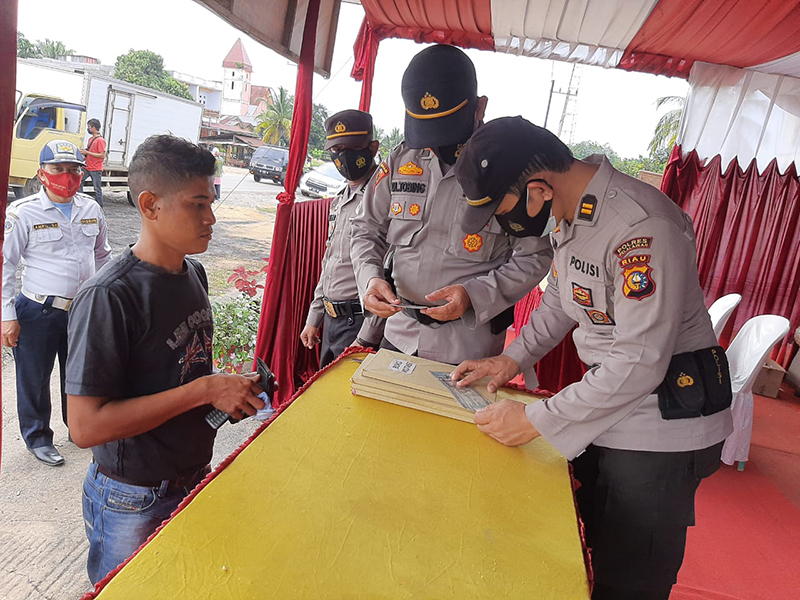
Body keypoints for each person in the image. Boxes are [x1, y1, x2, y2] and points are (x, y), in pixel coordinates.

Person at [451, 117, 734, 600]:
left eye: (502, 211)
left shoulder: (641, 228)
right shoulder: (572, 212)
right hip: (611, 403)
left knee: (627, 577)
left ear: (538, 189)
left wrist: (536, 419)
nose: (501, 224)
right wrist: (511, 360)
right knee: (585, 555)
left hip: (661, 427)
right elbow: (562, 301)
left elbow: (640, 360)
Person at [65, 135, 267, 584]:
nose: (211, 218)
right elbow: (85, 427)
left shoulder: (193, 273)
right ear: (150, 205)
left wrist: (221, 392)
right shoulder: (110, 296)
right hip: (134, 497)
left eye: (211, 202)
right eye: (197, 204)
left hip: (191, 475)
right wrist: (205, 389)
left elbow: (178, 372)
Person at [349, 45, 552, 368]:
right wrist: (370, 279)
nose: (436, 141)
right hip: (400, 334)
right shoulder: (401, 159)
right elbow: (365, 228)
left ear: (480, 108)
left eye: (446, 127)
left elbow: (535, 255)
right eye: (427, 129)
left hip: (469, 347)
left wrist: (475, 295)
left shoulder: (508, 168)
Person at [2, 140, 111, 467]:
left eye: (74, 169)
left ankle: (78, 428)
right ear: (42, 173)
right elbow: (7, 264)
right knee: (34, 378)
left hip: (81, 310)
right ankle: (38, 438)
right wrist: (7, 314)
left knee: (79, 375)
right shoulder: (23, 212)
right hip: (38, 310)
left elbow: (103, 255)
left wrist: (108, 299)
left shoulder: (91, 209)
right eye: (58, 169)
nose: (67, 176)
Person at [300, 109, 385, 366]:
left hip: (361, 323)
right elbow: (330, 262)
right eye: (336, 150)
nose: (343, 156)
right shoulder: (341, 199)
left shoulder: (383, 198)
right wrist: (314, 316)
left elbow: (389, 273)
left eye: (352, 148)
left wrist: (366, 338)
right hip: (332, 321)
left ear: (372, 148)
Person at [80, 118, 106, 207]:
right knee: (79, 181)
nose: (88, 129)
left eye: (89, 127)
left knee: (97, 189)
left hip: (96, 168)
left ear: (94, 128)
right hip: (87, 166)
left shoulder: (100, 140)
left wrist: (87, 152)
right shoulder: (90, 139)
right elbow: (89, 153)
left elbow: (102, 155)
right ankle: (81, 201)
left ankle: (99, 206)